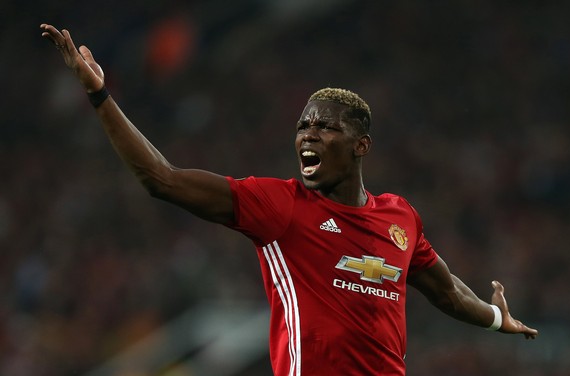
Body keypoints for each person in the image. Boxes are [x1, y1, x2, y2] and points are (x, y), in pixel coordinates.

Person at [40, 24, 538, 376]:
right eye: (303, 125)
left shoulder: (399, 217)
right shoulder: (279, 206)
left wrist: (497, 319)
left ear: (360, 145)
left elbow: (447, 291)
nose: (308, 134)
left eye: (325, 126)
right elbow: (161, 179)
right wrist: (101, 97)